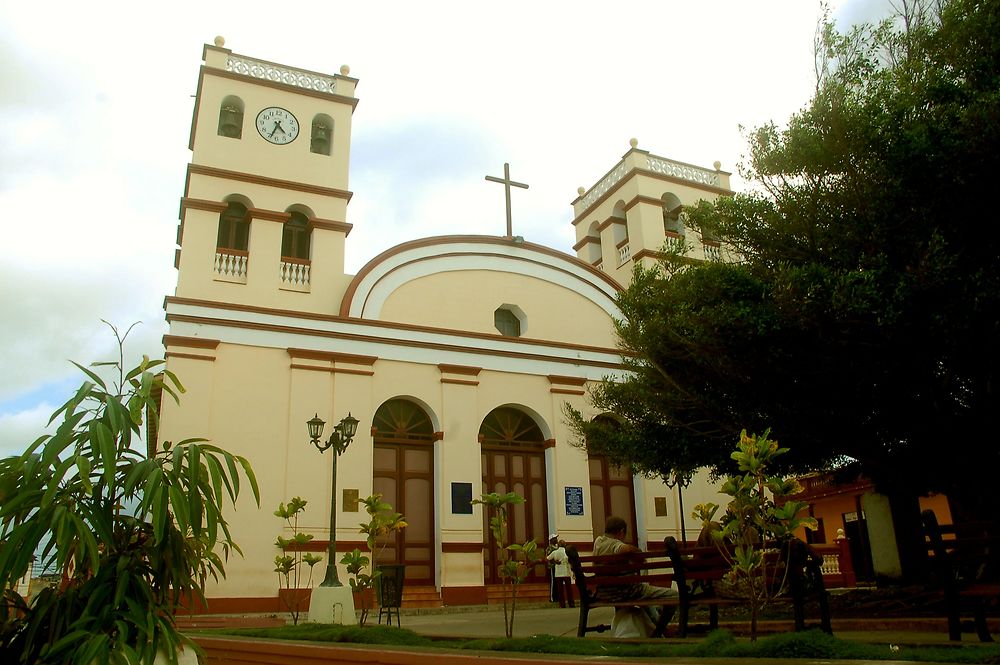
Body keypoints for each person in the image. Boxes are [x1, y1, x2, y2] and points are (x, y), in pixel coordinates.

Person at [594, 516, 676, 636]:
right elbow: (624, 549)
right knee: (674, 596)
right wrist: (638, 552)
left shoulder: (598, 542)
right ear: (621, 531)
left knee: (645, 597)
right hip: (627, 591)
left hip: (607, 592)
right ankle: (659, 632)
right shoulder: (615, 544)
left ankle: (662, 631)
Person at [546, 537, 574, 608]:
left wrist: (554, 561)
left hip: (558, 573)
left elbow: (547, 558)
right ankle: (571, 603)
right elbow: (571, 560)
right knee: (568, 589)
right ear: (564, 545)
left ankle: (562, 604)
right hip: (566, 572)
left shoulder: (555, 552)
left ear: (558, 545)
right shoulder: (566, 552)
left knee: (560, 590)